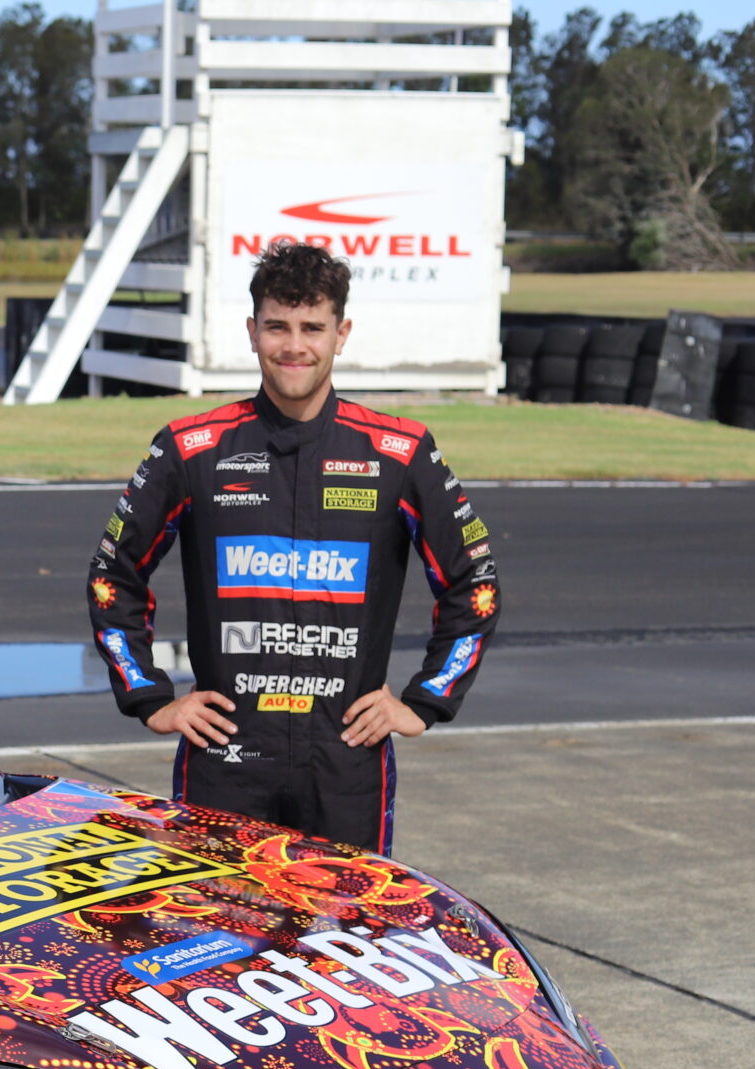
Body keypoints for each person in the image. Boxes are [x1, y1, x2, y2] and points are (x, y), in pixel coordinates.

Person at [88, 240, 500, 854]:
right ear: (252, 332)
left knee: (347, 937)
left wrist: (426, 700)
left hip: (345, 760)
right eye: (277, 326)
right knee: (218, 934)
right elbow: (112, 574)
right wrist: (149, 697)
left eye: (313, 327)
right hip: (224, 755)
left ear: (342, 333)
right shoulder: (192, 447)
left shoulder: (399, 451)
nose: (294, 345)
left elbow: (476, 583)